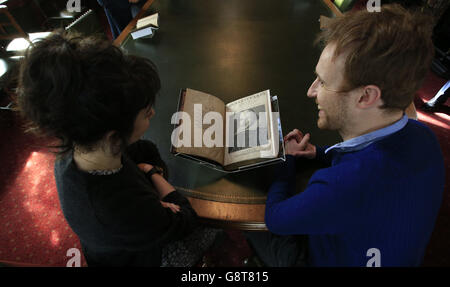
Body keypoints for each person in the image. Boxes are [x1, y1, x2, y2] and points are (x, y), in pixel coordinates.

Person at [247, 4, 445, 267]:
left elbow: (276, 219)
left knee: (251, 221)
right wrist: (318, 154)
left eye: (324, 82)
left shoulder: (343, 186)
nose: (311, 91)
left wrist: (288, 162)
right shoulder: (423, 136)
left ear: (366, 96)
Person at [16, 30, 220, 266]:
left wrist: (148, 175)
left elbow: (144, 151)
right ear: (114, 137)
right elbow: (185, 220)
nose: (152, 113)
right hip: (139, 258)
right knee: (212, 227)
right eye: (146, 113)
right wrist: (153, 175)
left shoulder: (80, 148)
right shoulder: (117, 208)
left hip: (124, 236)